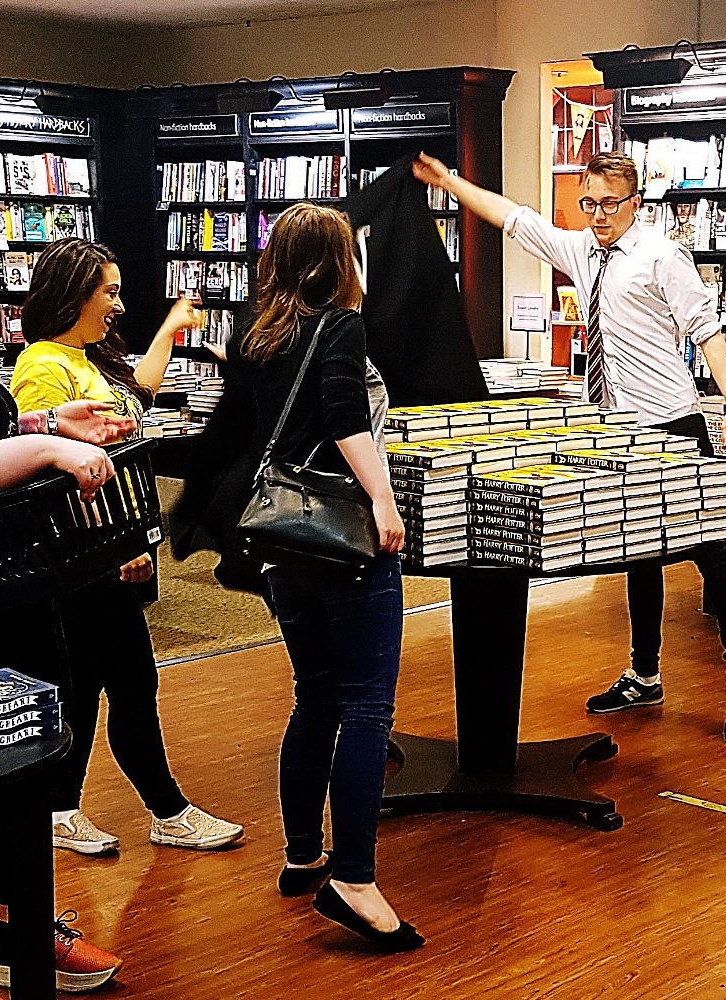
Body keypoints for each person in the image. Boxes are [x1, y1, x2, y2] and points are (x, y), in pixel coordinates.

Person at [412, 150, 726, 746]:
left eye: (610, 204)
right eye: (590, 204)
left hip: (675, 426)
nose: (599, 216)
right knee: (637, 553)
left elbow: (706, 330)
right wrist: (450, 182)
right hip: (620, 430)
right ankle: (645, 671)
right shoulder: (582, 251)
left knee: (712, 553)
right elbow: (513, 218)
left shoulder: (662, 256)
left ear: (636, 202)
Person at [10, 238, 243, 854]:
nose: (117, 303)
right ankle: (166, 810)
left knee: (93, 683)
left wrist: (169, 330)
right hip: (88, 557)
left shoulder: (84, 358)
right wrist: (111, 549)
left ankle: (65, 808)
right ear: (75, 294)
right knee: (127, 680)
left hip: (107, 550)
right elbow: (48, 480)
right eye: (108, 291)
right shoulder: (43, 365)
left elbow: (134, 395)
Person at [232, 202, 422, 951]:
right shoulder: (338, 326)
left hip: (283, 542)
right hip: (344, 540)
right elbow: (346, 420)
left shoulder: (259, 333)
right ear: (338, 263)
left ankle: (302, 850)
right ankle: (355, 877)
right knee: (368, 707)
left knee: (313, 697)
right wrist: (383, 500)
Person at [0, 384, 125, 992]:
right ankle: (18, 935)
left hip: (14, 591)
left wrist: (39, 424)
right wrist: (47, 449)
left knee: (26, 761)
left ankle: (18, 927)